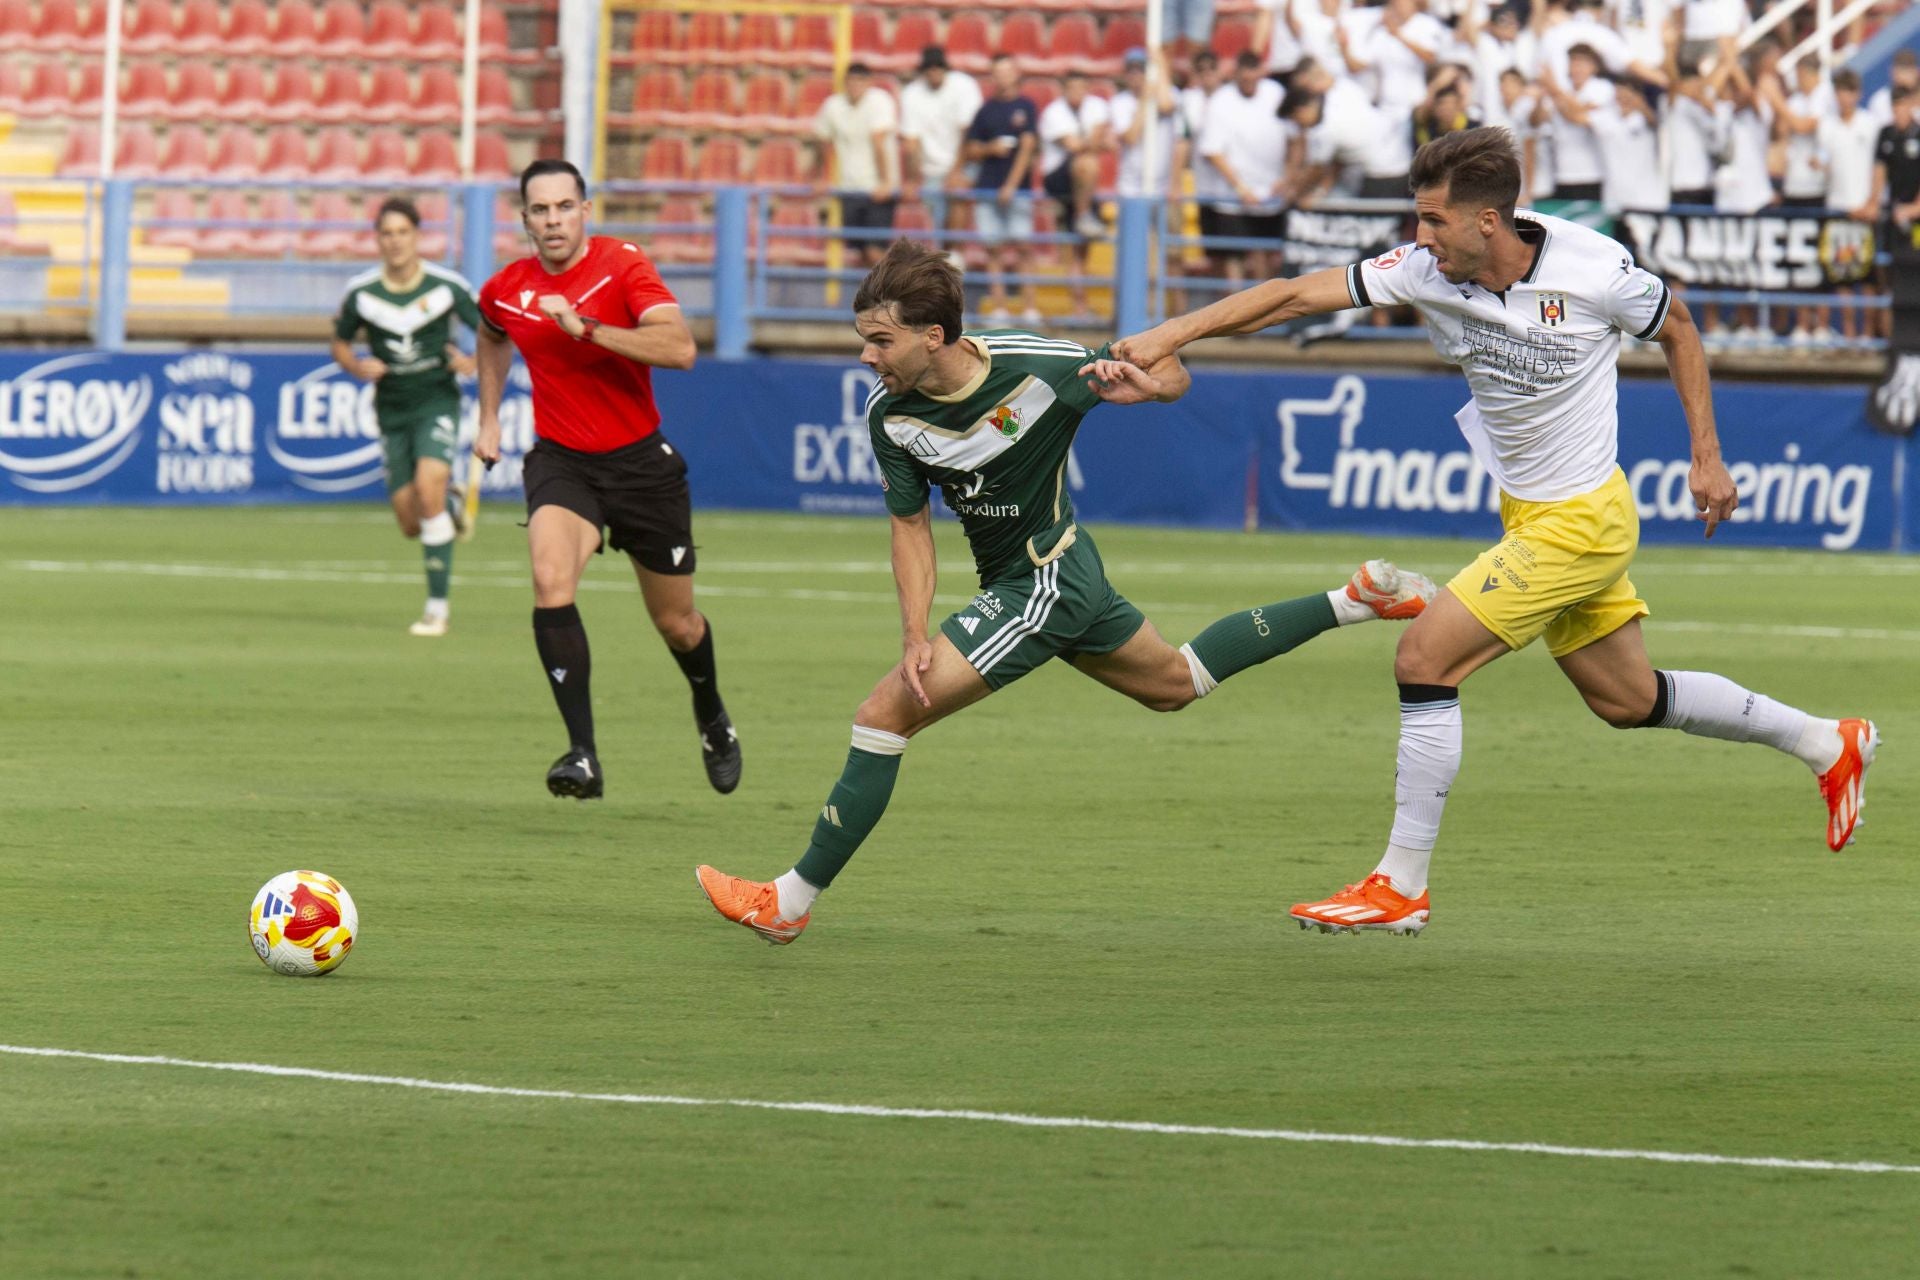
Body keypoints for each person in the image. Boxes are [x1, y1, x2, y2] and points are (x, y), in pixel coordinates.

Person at [1101, 127, 1877, 936]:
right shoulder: (1425, 270)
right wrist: (1168, 335)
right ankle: (1827, 741)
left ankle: (1400, 886)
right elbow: (1294, 294)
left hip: (1582, 520)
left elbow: (1678, 327)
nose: (1419, 238)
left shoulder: (1595, 270)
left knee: (1423, 657)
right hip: (1533, 512)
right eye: (1419, 219)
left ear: (1488, 223)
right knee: (1625, 698)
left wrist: (1707, 459)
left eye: (1434, 221)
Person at [693, 239, 1438, 945]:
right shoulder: (890, 415)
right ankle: (1358, 599)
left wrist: (1150, 387)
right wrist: (915, 632)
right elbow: (910, 527)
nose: (865, 355)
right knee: (1176, 683)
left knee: (885, 712)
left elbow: (1169, 372)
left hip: (1043, 577)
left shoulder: (1039, 368)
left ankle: (787, 903)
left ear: (935, 334)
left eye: (880, 341)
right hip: (1051, 580)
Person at [472, 159, 741, 800]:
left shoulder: (623, 264)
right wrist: (487, 418)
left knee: (678, 625)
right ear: (525, 219)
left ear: (585, 211)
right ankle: (583, 755)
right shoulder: (507, 288)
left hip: (643, 466)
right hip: (563, 463)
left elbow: (679, 349)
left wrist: (587, 329)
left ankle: (710, 711)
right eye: (540, 210)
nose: (553, 220)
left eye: (565, 207)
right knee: (549, 578)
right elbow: (491, 335)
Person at [330, 196, 479, 637]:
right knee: (411, 522)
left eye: (403, 233)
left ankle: (437, 609)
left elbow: (493, 330)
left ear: (418, 236)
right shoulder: (362, 293)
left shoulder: (446, 287)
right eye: (387, 234)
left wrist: (472, 362)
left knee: (427, 492)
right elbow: (338, 343)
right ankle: (450, 506)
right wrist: (356, 365)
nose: (395, 242)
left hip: (436, 400)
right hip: (391, 409)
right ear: (377, 240)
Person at [964, 53, 1043, 324]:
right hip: (987, 189)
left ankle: (1030, 308)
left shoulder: (1026, 107)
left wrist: (1011, 185)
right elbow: (971, 148)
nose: (1003, 76)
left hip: (1018, 191)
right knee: (993, 249)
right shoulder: (985, 111)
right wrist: (990, 148)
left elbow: (1028, 147)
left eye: (1007, 70)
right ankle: (1000, 308)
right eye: (998, 71)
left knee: (1023, 248)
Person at [1038, 68, 1114, 321]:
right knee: (1087, 163)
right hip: (1060, 179)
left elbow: (1093, 140)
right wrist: (1100, 142)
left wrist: (1096, 142)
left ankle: (1081, 305)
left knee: (1082, 247)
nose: (1077, 93)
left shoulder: (1097, 106)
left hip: (1084, 184)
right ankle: (1082, 215)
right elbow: (1078, 145)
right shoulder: (1053, 113)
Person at [812, 62, 901, 267]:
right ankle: (873, 297)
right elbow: (822, 142)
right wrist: (819, 177)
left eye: (860, 81)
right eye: (851, 81)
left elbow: (878, 142)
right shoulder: (833, 106)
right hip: (849, 188)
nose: (855, 86)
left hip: (877, 190)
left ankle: (886, 295)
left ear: (869, 83)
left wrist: (887, 181)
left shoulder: (880, 102)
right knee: (859, 251)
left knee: (874, 252)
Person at [899, 45, 982, 248]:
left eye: (938, 67)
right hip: (932, 168)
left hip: (964, 162)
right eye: (930, 67)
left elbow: (969, 134)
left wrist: (956, 170)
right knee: (939, 225)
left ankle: (954, 260)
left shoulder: (964, 86)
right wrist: (912, 177)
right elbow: (911, 142)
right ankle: (949, 263)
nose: (934, 71)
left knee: (957, 196)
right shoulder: (912, 94)